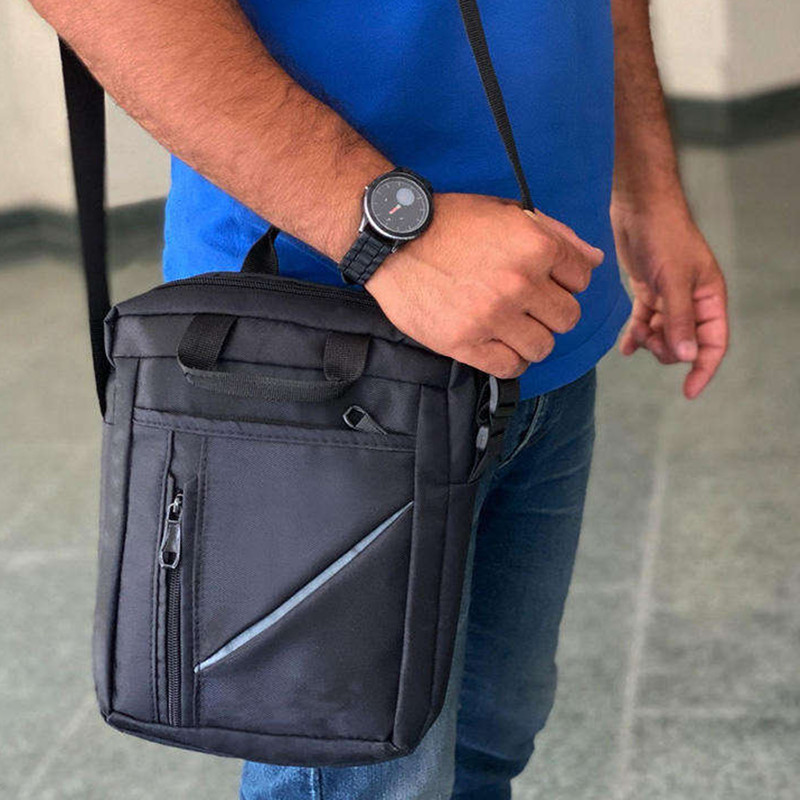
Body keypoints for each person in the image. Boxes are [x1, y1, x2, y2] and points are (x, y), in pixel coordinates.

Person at [31, 0, 729, 797]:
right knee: (368, 778)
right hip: (324, 347)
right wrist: (392, 233)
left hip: (545, 311)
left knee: (489, 746)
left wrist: (648, 191)